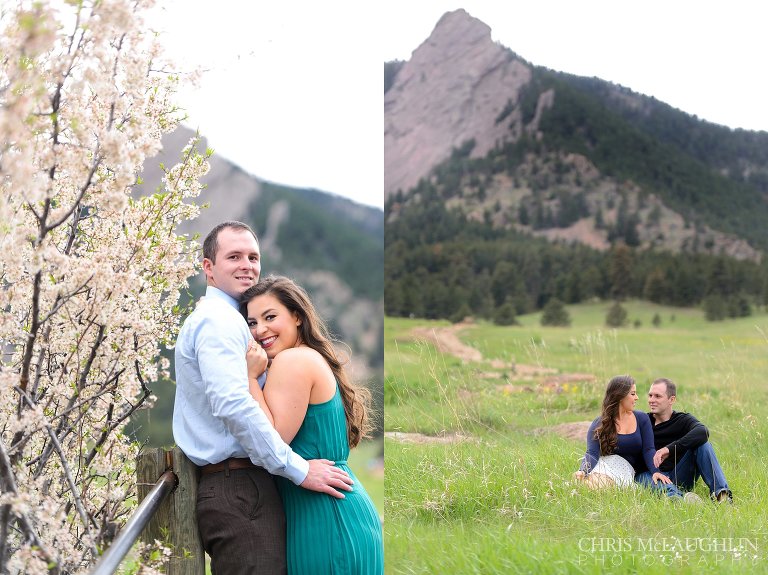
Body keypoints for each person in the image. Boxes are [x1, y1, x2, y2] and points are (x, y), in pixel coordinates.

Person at [172, 221, 353, 574]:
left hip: (244, 485)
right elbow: (232, 404)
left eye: (253, 256)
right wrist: (298, 470)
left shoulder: (233, 320)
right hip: (239, 487)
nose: (247, 265)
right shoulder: (219, 322)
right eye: (234, 256)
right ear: (208, 267)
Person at [242, 275, 384, 575]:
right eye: (252, 322)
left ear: (296, 316)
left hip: (327, 519)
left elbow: (273, 439)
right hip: (330, 514)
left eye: (270, 317)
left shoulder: (292, 361)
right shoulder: (307, 357)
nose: (260, 330)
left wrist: (250, 378)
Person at [635, 378, 733, 503]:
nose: (651, 400)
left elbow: (703, 431)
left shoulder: (682, 420)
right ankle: (683, 501)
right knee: (651, 481)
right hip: (649, 474)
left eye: (658, 396)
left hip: (679, 475)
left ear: (672, 400)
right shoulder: (643, 421)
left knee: (703, 444)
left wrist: (669, 449)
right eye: (650, 395)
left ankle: (722, 495)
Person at [574, 375, 673, 490]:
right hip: (604, 466)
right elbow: (592, 453)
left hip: (626, 470)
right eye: (632, 394)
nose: (636, 397)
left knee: (602, 487)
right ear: (620, 396)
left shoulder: (641, 418)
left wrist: (655, 471)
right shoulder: (600, 423)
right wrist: (583, 471)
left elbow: (648, 449)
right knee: (594, 485)